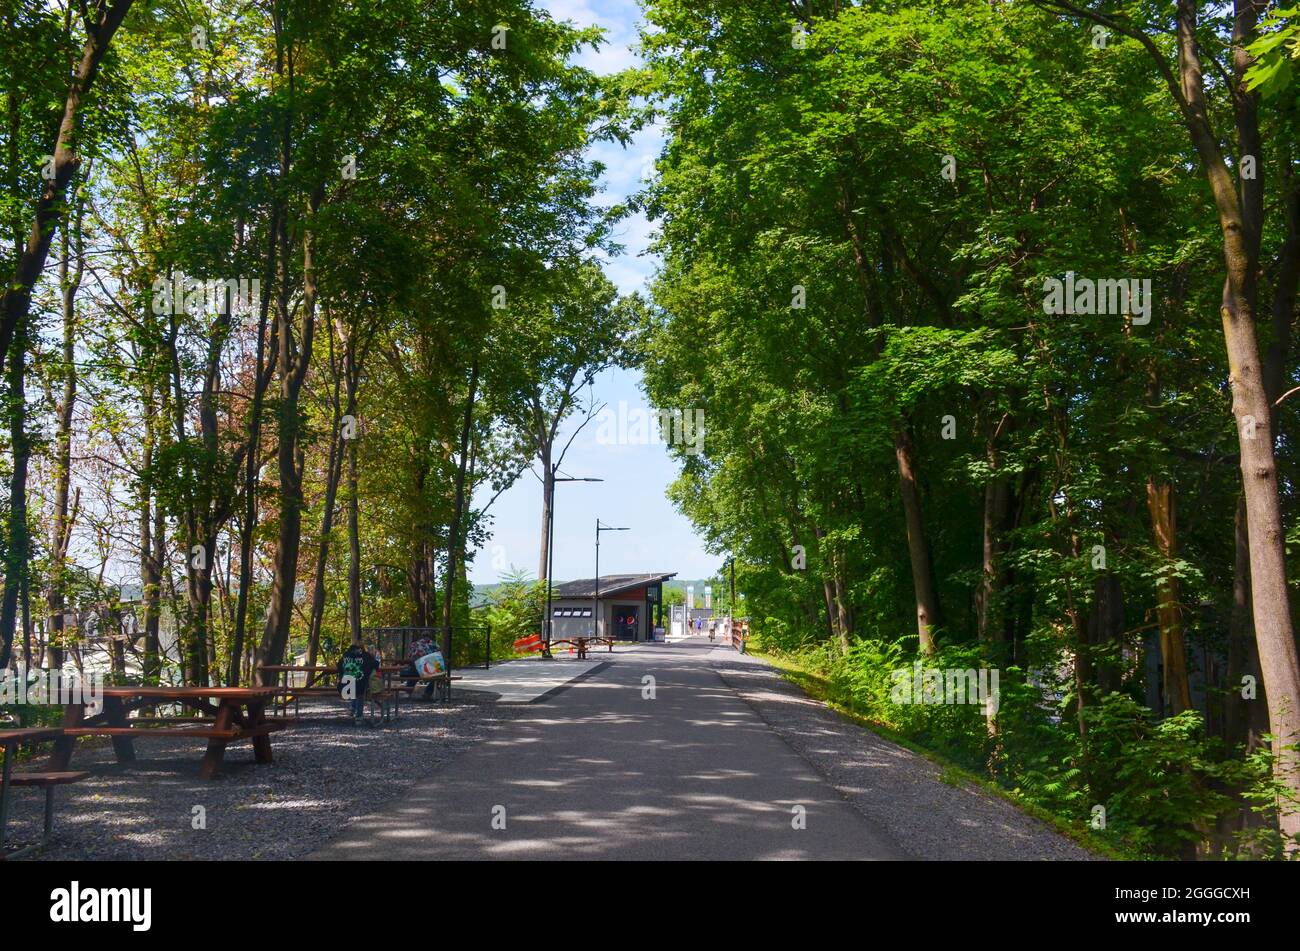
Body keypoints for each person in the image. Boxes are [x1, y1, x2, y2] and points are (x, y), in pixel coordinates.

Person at [337, 642, 380, 726]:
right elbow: (375, 664)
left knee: (353, 684)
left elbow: (339, 666)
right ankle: (358, 717)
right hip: (359, 686)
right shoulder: (365, 656)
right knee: (359, 689)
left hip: (344, 686)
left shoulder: (346, 655)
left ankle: (352, 708)